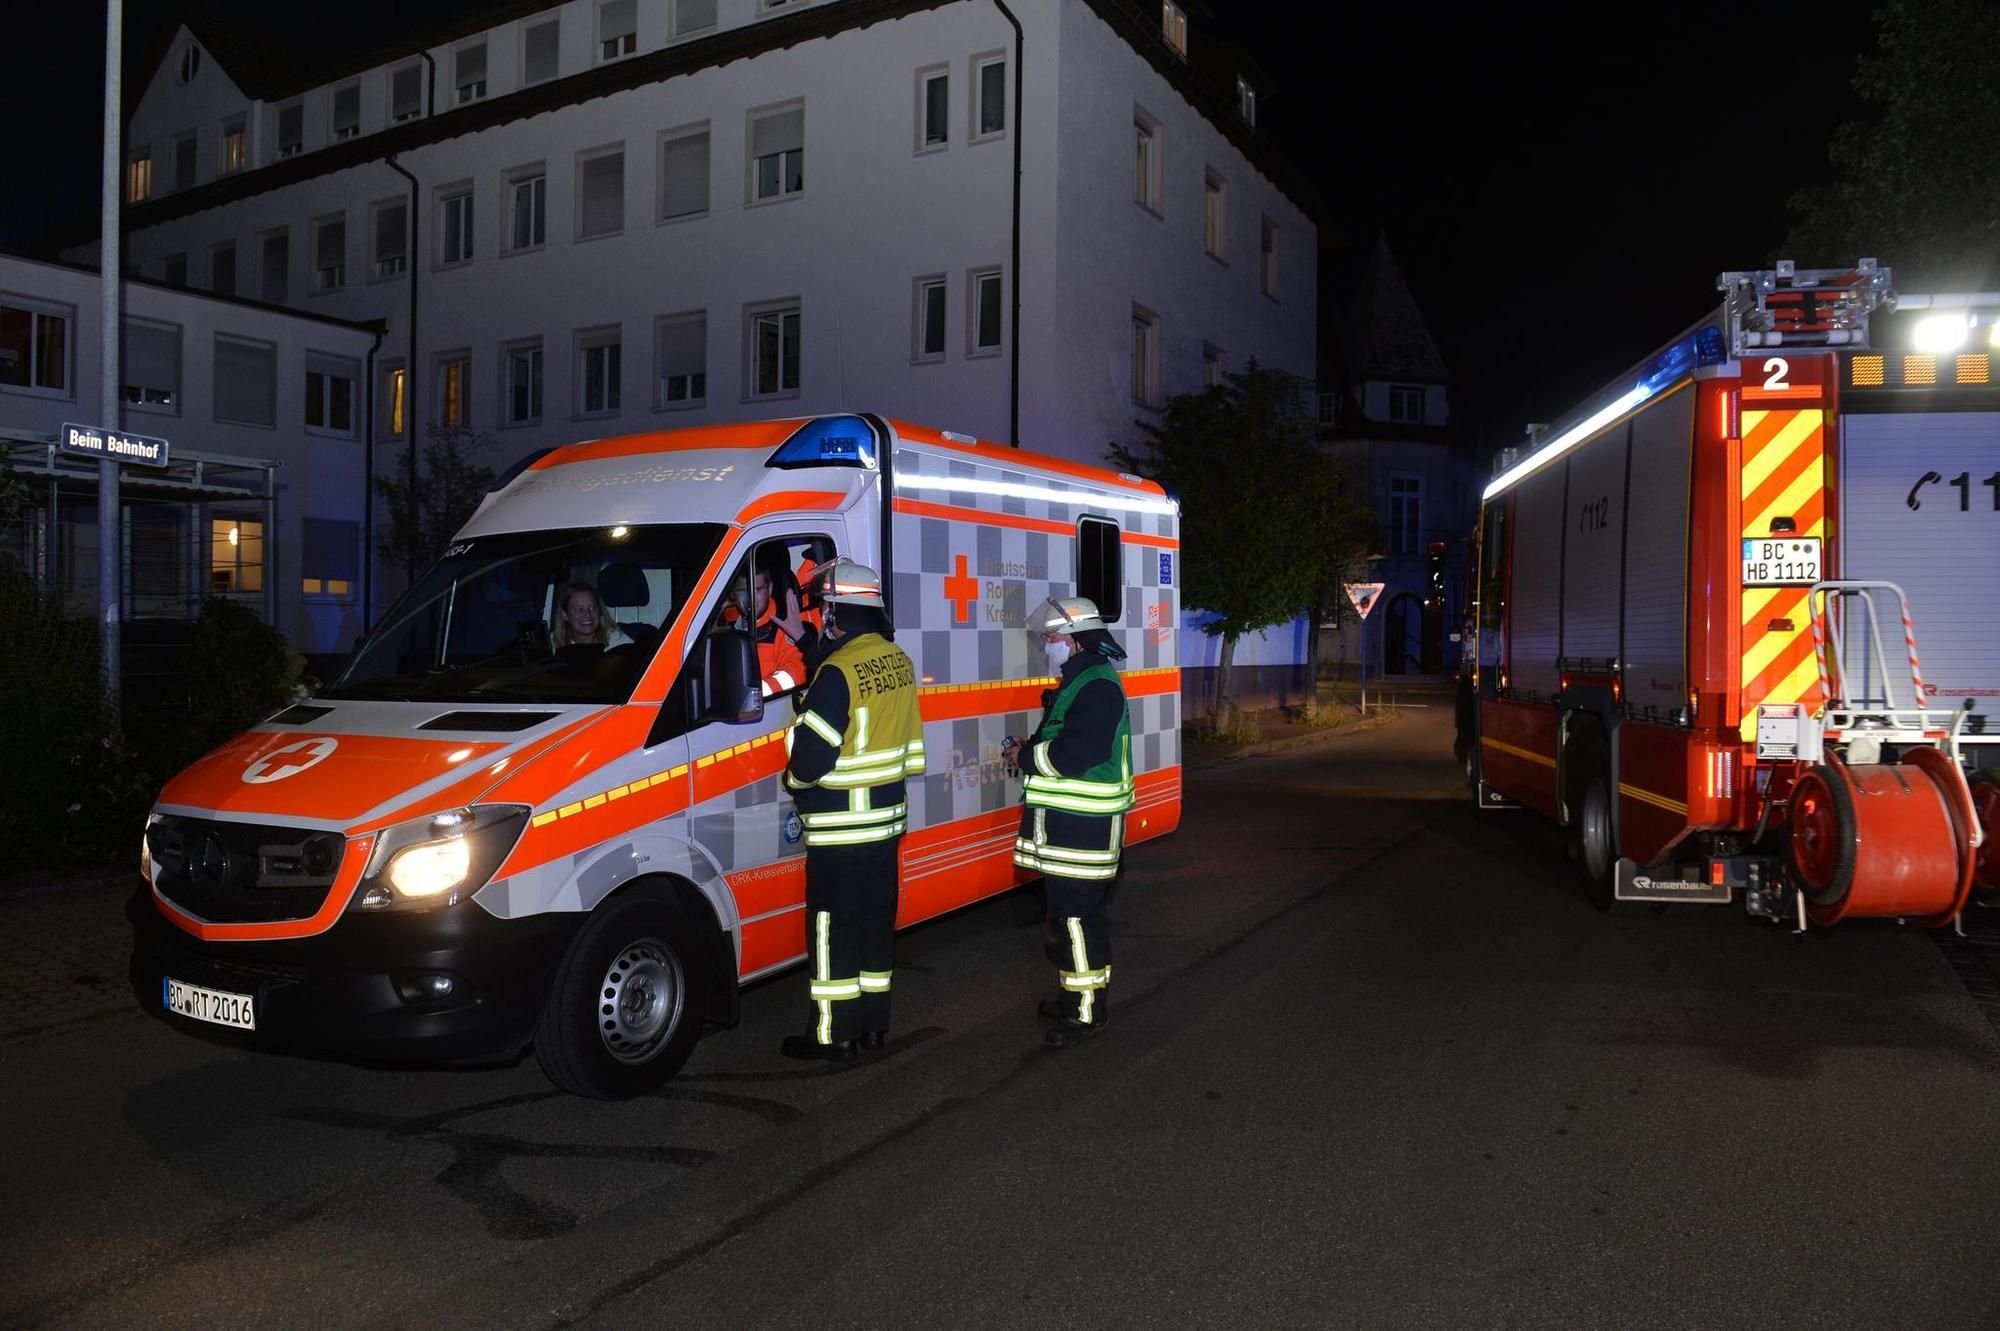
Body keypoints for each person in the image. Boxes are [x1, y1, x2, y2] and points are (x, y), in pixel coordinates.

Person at [779, 560, 926, 1061]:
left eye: (824, 608)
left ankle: (832, 1033)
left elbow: (811, 760)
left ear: (838, 612)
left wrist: (792, 780)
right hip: (885, 825)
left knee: (831, 929)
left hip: (840, 828)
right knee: (872, 925)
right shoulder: (896, 659)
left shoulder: (836, 674)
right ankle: (873, 1027)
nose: (822, 617)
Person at [1006, 596, 1134, 1049]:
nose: (1048, 646)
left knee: (1078, 921)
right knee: (1068, 921)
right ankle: (1074, 997)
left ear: (1076, 641)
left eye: (1053, 638)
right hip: (1071, 829)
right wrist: (1034, 748)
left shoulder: (1097, 687)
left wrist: (1026, 756)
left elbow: (1076, 756)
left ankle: (1085, 1013)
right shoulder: (1081, 681)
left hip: (1085, 829)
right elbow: (1063, 739)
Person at [723, 559, 808, 696]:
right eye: (742, 591)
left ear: (769, 589)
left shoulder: (784, 626)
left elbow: (795, 674)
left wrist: (753, 694)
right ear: (732, 594)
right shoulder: (723, 624)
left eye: (757, 589)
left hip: (769, 708)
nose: (750, 598)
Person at [552, 582, 633, 650]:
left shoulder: (617, 642)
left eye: (593, 608)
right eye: (580, 609)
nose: (587, 614)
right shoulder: (552, 643)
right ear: (565, 615)